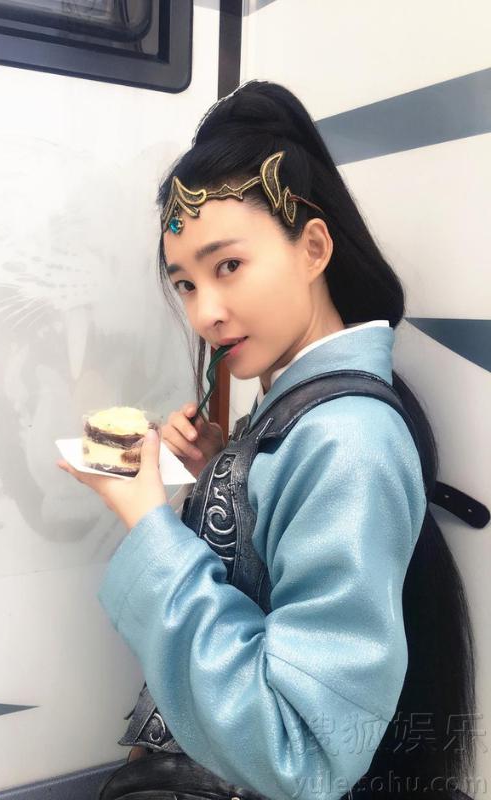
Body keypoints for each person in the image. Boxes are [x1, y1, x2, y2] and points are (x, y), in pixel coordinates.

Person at [57, 80, 476, 800]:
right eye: (185, 284)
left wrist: (147, 519)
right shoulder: (305, 412)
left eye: (228, 266)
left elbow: (300, 753)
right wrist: (222, 469)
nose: (205, 313)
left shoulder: (350, 441)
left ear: (313, 248)